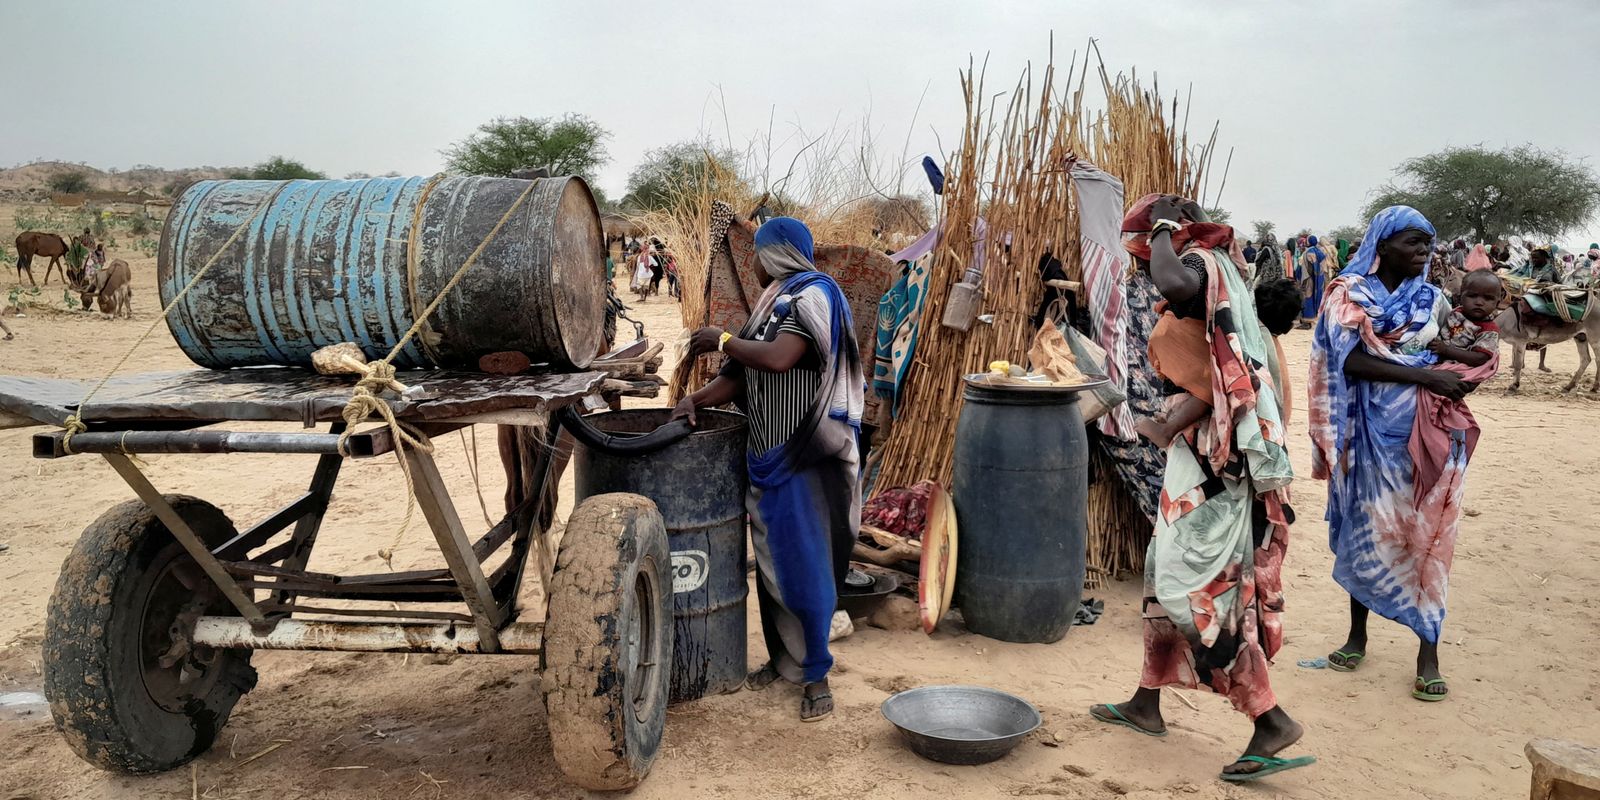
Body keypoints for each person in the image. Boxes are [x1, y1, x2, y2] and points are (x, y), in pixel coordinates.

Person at [1091, 194, 1311, 783]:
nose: (1144, 266)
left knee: (1192, 589)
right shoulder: (1221, 288)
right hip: (1197, 460)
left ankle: (1268, 717)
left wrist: (1164, 228)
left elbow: (1179, 289)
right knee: (1160, 578)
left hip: (1218, 470)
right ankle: (1146, 702)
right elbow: (1215, 375)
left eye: (1144, 250)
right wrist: (1167, 427)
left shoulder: (1202, 267)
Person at [671, 217, 863, 722]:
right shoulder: (774, 300)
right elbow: (742, 377)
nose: (753, 263)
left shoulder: (814, 296)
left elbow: (778, 359)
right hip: (767, 453)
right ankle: (785, 663)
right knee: (774, 568)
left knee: (805, 568)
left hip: (805, 456)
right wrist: (696, 399)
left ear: (775, 253)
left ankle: (816, 675)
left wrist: (721, 339)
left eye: (757, 253)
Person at [1309, 205, 1495, 704]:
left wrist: (1461, 378)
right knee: (1368, 530)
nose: (1422, 251)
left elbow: (1462, 351)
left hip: (1430, 435)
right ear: (1383, 244)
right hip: (1367, 436)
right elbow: (1350, 360)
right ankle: (1357, 637)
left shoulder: (1432, 299)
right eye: (1412, 242)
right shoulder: (1350, 295)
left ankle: (1427, 654)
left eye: (1427, 243)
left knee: (1430, 535)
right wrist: (1425, 375)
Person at [1135, 275, 1302, 449]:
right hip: (1269, 433)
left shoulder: (1249, 342)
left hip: (1241, 430)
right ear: (1288, 327)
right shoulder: (1270, 351)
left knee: (1211, 386)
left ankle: (1168, 430)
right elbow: (1284, 405)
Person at [1298, 235, 1329, 327]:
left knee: (1307, 298)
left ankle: (1306, 320)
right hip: (1318, 279)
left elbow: (1303, 267)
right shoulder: (1319, 252)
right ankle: (1313, 318)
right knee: (1315, 297)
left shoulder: (1307, 252)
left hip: (1308, 279)